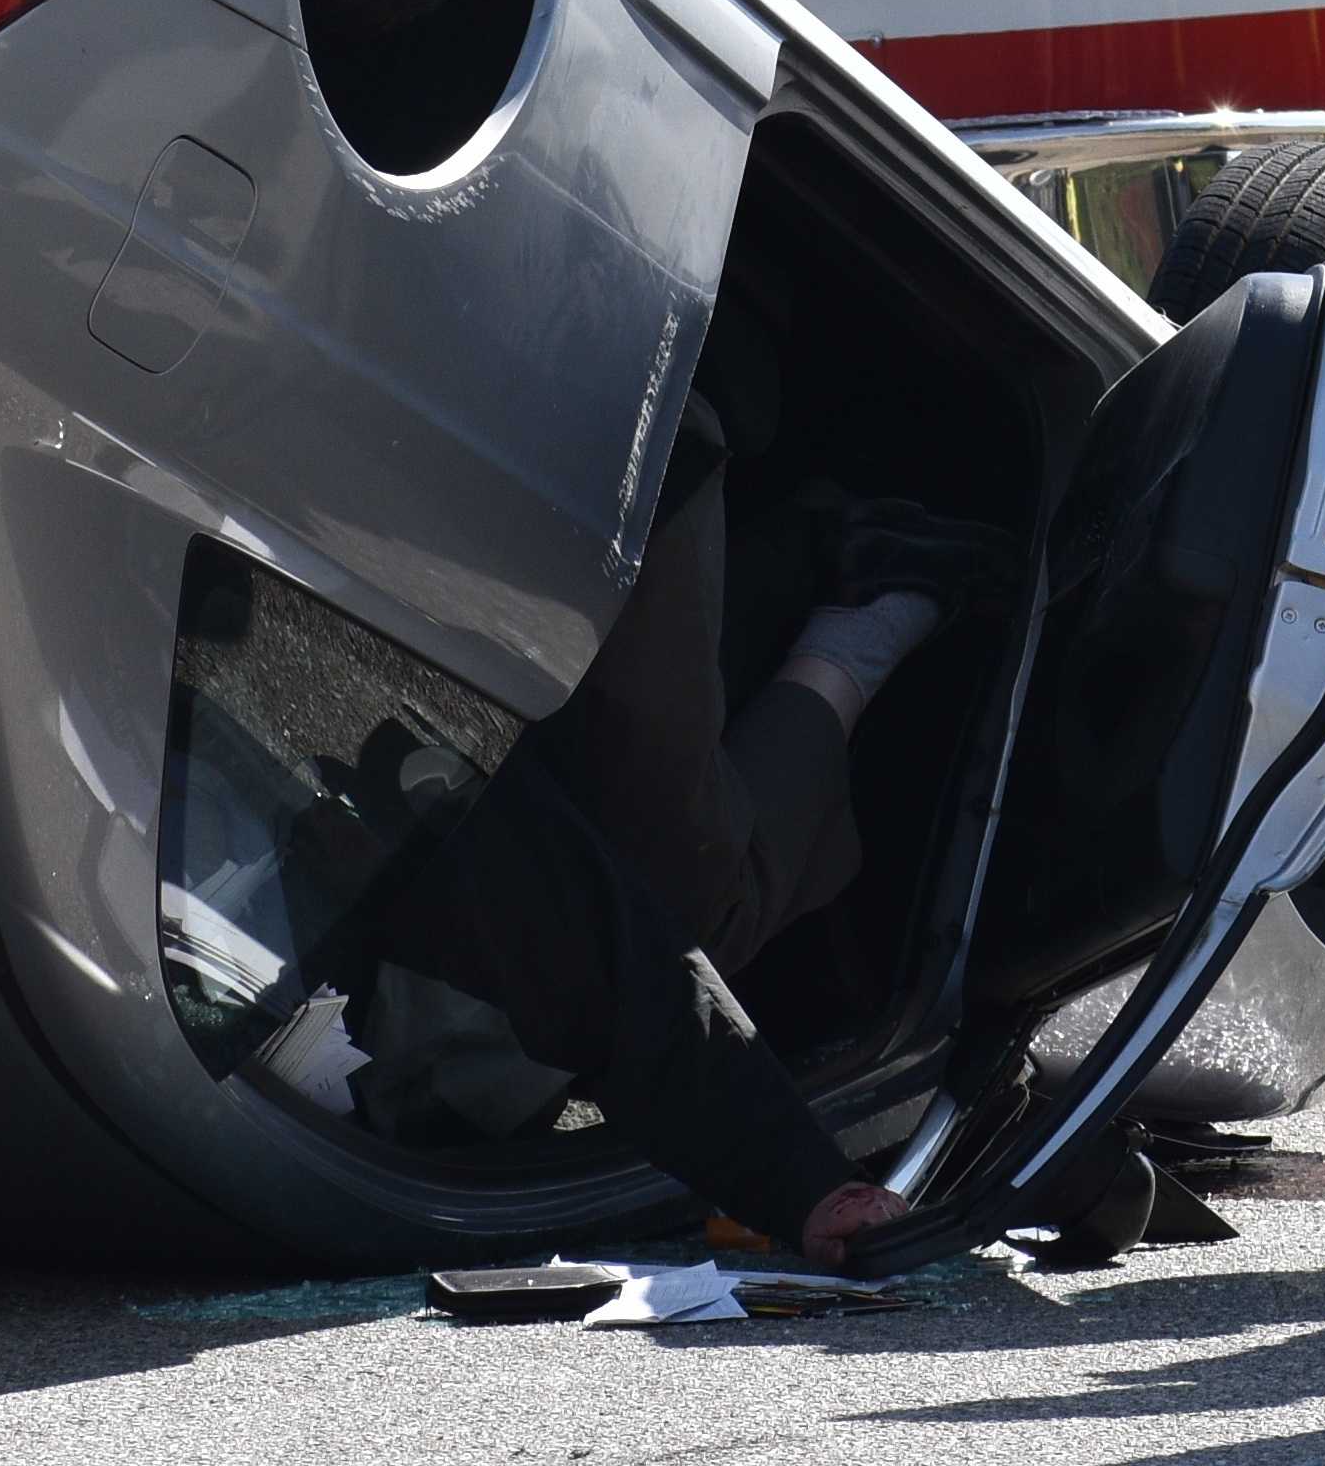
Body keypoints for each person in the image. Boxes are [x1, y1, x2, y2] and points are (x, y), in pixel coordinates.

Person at [350, 384, 996, 1260]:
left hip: (578, 432)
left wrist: (796, 1181)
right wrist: (796, 1181)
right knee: (672, 889)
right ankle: (849, 593)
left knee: (688, 895)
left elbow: (581, 942)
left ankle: (859, 610)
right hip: (578, 446)